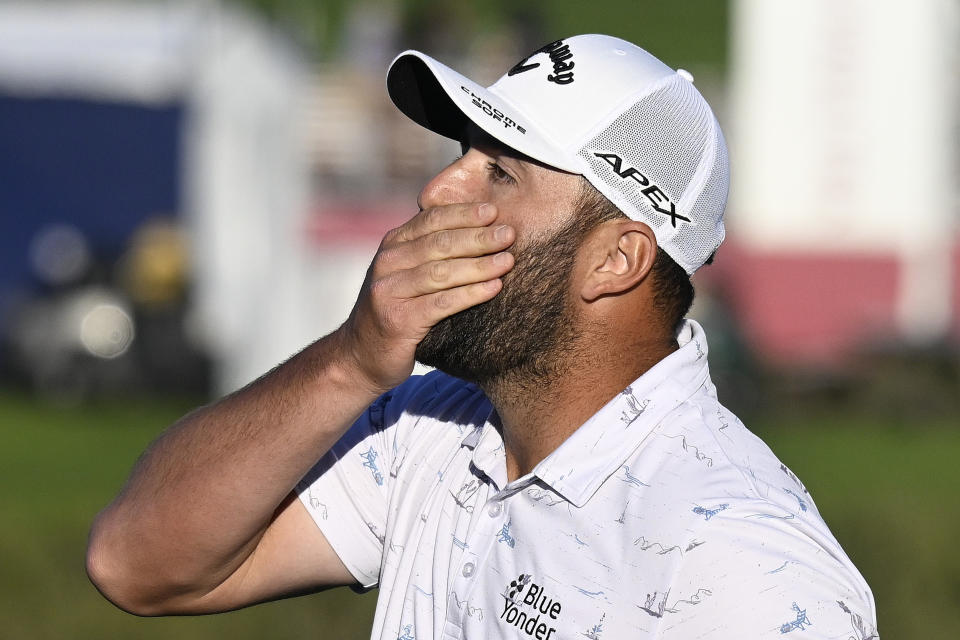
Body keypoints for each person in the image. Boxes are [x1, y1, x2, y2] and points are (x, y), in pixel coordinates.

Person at [87, 34, 878, 639]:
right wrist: (349, 365)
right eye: (461, 155)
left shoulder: (746, 561)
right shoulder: (433, 427)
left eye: (501, 171)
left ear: (615, 258)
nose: (439, 188)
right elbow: (139, 566)